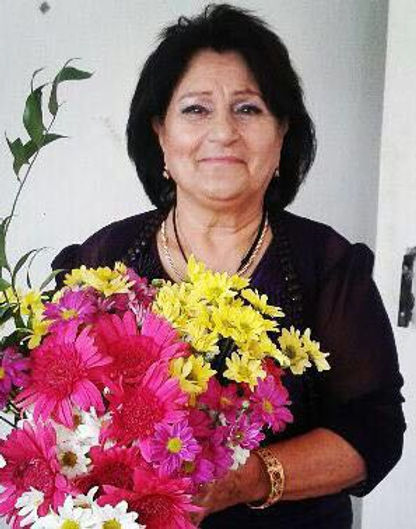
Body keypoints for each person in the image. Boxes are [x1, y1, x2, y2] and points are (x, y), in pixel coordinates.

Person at [52, 4, 406, 528]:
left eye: (248, 109)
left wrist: (251, 477)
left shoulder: (327, 266)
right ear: (160, 134)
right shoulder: (103, 261)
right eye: (196, 109)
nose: (223, 132)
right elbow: (57, 412)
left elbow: (374, 430)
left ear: (282, 134)